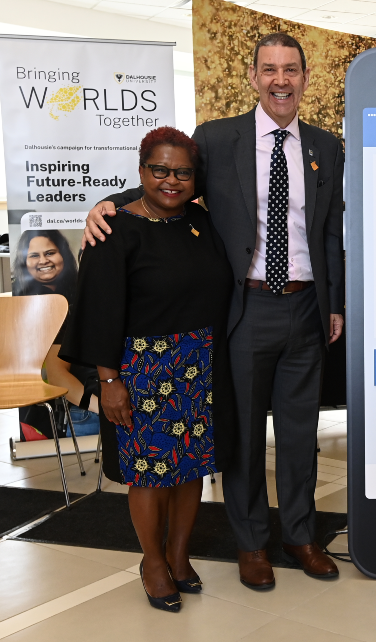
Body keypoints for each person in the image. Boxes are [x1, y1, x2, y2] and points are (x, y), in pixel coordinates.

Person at [82, 32, 345, 587]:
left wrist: (335, 304)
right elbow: (167, 180)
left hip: (306, 307)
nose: (280, 79)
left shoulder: (325, 146)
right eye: (269, 69)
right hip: (243, 307)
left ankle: (299, 535)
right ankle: (252, 544)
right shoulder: (218, 138)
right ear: (253, 76)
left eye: (291, 69)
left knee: (301, 433)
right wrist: (110, 204)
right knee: (243, 433)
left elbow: (329, 235)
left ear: (304, 77)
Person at [62, 126, 234, 612]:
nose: (171, 180)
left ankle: (180, 557)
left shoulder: (200, 222)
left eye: (182, 172)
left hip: (198, 366)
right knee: (150, 473)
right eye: (160, 170)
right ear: (142, 172)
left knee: (190, 469)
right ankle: (153, 563)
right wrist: (109, 381)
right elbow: (97, 310)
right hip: (141, 373)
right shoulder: (113, 230)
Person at [13, 231, 100, 437]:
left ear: (63, 256)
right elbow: (56, 374)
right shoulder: (42, 305)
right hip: (83, 408)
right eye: (34, 255)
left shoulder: (75, 296)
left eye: (50, 252)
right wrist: (100, 407)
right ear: (24, 261)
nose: (43, 260)